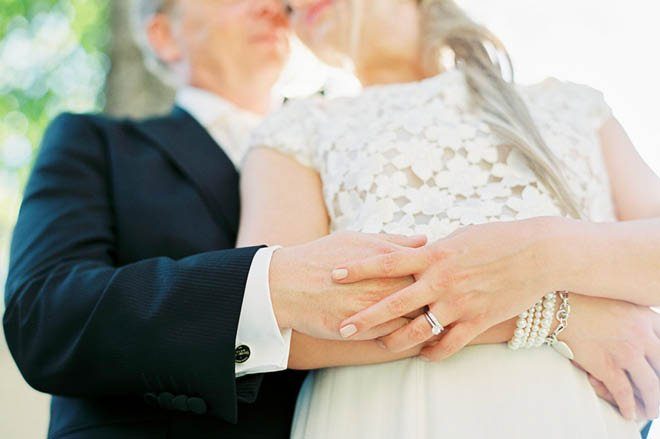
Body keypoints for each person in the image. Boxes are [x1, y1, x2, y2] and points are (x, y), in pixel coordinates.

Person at [2, 1, 430, 437]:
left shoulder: (359, 142)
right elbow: (43, 315)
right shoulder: (97, 143)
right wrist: (269, 288)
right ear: (164, 36)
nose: (272, 8)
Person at [239, 0, 660, 437]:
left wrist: (547, 251)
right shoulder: (296, 128)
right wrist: (552, 314)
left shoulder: (571, 105)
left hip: (570, 412)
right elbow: (273, 315)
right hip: (384, 412)